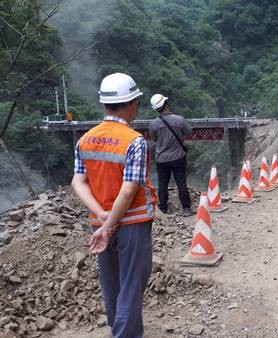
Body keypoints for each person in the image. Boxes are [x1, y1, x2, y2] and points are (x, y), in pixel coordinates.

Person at [71, 73, 157, 338]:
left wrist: (101, 216)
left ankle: (116, 328)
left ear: (104, 105)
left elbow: (78, 182)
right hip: (130, 225)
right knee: (131, 287)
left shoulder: (85, 139)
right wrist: (110, 225)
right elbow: (129, 189)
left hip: (99, 224)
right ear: (131, 103)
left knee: (112, 285)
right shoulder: (134, 141)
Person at [148, 94, 194, 216]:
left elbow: (153, 138)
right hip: (178, 157)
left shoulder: (154, 124)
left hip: (162, 159)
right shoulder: (179, 119)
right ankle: (186, 209)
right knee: (181, 182)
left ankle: (162, 208)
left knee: (162, 183)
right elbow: (189, 132)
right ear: (167, 104)